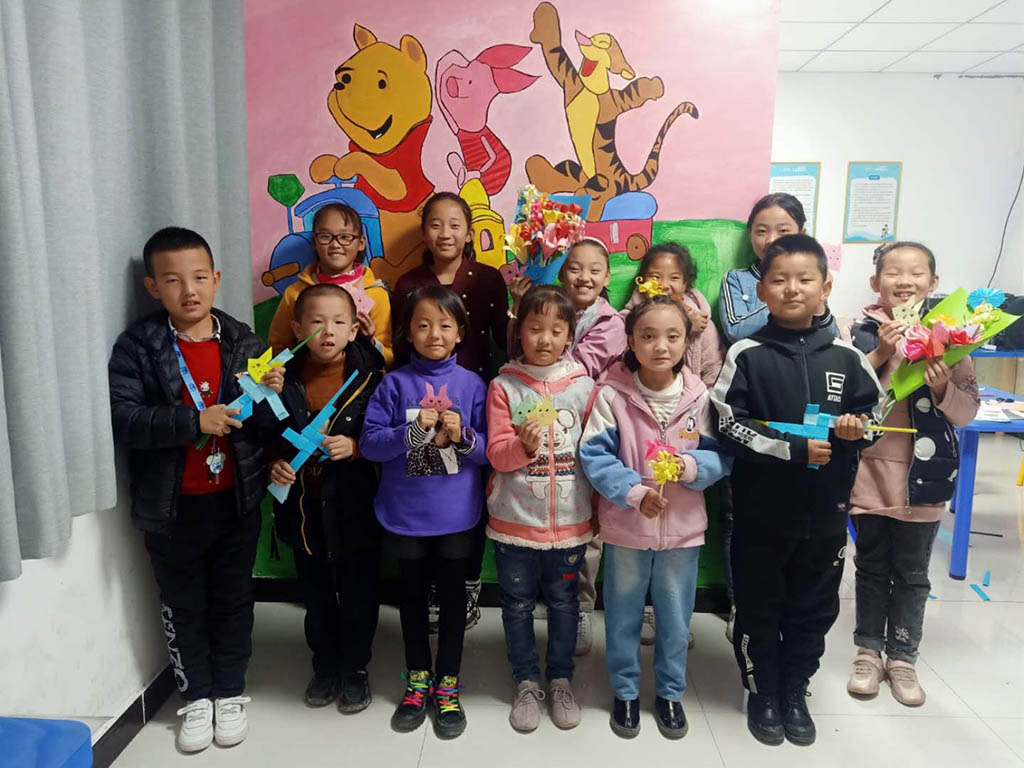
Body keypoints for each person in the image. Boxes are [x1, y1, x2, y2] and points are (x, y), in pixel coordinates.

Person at [711, 233, 883, 747]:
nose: (792, 289)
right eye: (779, 280)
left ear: (825, 287)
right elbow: (727, 424)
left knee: (815, 608)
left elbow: (875, 418)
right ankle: (762, 690)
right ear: (761, 290)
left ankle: (794, 688)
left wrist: (857, 431)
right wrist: (791, 448)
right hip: (761, 514)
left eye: (805, 279)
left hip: (827, 514)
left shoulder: (849, 357)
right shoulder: (746, 354)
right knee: (759, 604)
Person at [109, 227, 276, 752]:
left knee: (234, 599)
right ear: (152, 286)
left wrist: (273, 395)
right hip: (172, 506)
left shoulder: (243, 341)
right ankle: (196, 697)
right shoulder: (139, 346)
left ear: (216, 279)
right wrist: (192, 421)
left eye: (199, 278)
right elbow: (124, 418)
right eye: (173, 280)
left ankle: (230, 691)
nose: (189, 291)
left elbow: (267, 425)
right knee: (182, 603)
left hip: (235, 499)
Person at [580, 295, 732, 740]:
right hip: (627, 528)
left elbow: (720, 456)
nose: (660, 346)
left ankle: (669, 693)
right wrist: (634, 492)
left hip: (682, 532)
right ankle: (625, 692)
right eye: (647, 336)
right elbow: (594, 455)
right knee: (623, 615)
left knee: (675, 619)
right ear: (630, 340)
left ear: (687, 342)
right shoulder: (612, 395)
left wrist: (691, 467)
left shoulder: (700, 398)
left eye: (672, 336)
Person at [845, 242, 978, 706]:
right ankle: (868, 651)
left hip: (926, 475)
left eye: (916, 273)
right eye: (893, 272)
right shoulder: (859, 333)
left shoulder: (955, 338)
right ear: (875, 282)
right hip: (869, 471)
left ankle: (903, 657)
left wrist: (942, 389)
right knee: (871, 566)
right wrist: (880, 353)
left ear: (933, 282)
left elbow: (966, 412)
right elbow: (841, 395)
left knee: (913, 572)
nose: (904, 281)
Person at [360, 285, 488, 739]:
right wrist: (410, 432)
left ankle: (448, 683)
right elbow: (369, 445)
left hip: (456, 516)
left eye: (445, 325)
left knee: (453, 602)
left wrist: (465, 436)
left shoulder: (474, 385)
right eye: (423, 325)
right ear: (408, 333)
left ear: (460, 333)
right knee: (411, 600)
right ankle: (417, 680)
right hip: (405, 515)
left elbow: (490, 452)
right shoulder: (393, 384)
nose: (435, 334)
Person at [715, 194, 839, 643]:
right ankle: (740, 602)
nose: (769, 239)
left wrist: (795, 300)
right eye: (761, 230)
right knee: (741, 516)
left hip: (810, 438)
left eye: (782, 230)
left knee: (804, 533)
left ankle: (791, 621)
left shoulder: (813, 282)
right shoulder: (737, 280)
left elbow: (829, 332)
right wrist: (789, 305)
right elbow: (736, 330)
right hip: (756, 412)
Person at [265, 284, 386, 712]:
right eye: (317, 322)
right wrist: (274, 464)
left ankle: (355, 668)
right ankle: (324, 666)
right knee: (315, 594)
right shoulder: (279, 379)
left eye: (338, 322)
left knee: (358, 593)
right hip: (302, 510)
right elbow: (266, 436)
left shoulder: (373, 378)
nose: (328, 331)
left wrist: (355, 448)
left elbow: (387, 438)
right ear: (298, 329)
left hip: (356, 507)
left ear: (354, 330)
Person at [391, 192, 508, 630]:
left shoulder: (488, 279)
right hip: (420, 402)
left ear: (469, 233)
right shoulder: (408, 283)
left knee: (468, 488)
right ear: (424, 232)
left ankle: (467, 585)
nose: (445, 233)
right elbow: (401, 346)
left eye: (455, 224)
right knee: (431, 487)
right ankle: (432, 588)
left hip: (473, 398)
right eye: (436, 224)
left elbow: (503, 341)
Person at [486, 285, 596, 732]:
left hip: (570, 523)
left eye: (556, 330)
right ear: (520, 332)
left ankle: (561, 679)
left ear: (569, 334)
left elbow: (596, 452)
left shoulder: (584, 387)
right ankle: (526, 680)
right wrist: (522, 448)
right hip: (514, 521)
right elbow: (497, 455)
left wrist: (601, 510)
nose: (545, 339)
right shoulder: (503, 387)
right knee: (516, 604)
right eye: (535, 328)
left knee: (565, 603)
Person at [508, 238, 626, 656]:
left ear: (607, 277)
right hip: (537, 419)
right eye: (575, 268)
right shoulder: (545, 307)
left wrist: (542, 330)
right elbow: (520, 353)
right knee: (544, 505)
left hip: (586, 423)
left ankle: (580, 607)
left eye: (594, 270)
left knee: (583, 521)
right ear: (561, 273)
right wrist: (521, 311)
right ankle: (554, 601)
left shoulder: (611, 322)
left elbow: (580, 367)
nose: (584, 277)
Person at [267, 203, 393, 365]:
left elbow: (388, 358)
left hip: (361, 380)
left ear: (361, 243)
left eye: (345, 237)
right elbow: (277, 347)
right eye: (325, 236)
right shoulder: (295, 293)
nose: (335, 244)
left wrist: (371, 342)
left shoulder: (375, 294)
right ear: (314, 242)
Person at [623, 242, 724, 389]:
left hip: (690, 396)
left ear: (685, 284)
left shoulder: (701, 322)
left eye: (674, 278)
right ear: (642, 281)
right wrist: (685, 326)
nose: (664, 285)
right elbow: (619, 356)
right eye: (655, 277)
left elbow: (713, 367)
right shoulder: (624, 321)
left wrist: (703, 397)